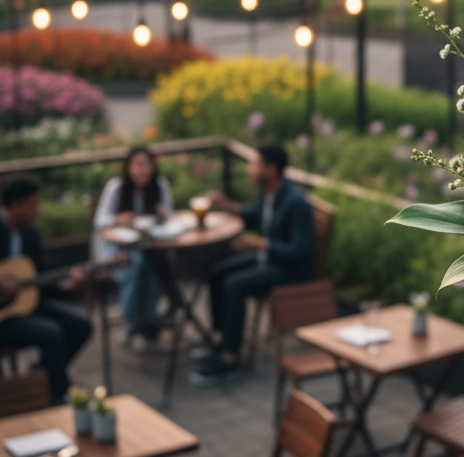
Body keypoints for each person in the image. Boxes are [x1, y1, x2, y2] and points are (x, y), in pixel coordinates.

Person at [0, 177, 93, 402]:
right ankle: (57, 394)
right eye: (33, 205)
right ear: (15, 205)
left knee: (81, 327)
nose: (37, 210)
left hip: (24, 306)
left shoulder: (30, 234)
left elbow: (40, 280)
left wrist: (67, 286)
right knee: (50, 333)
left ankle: (40, 377)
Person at [191, 143, 315, 382]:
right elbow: (256, 218)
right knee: (217, 273)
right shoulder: (267, 192)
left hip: (291, 270)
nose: (250, 170)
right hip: (270, 259)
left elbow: (300, 251)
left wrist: (260, 245)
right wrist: (229, 206)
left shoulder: (295, 202)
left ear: (272, 169)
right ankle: (223, 340)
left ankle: (230, 357)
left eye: (255, 165)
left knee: (234, 285)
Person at [93, 147, 174, 343]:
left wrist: (162, 214)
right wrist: (118, 219)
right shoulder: (117, 187)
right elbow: (99, 221)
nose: (143, 170)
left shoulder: (159, 186)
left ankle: (146, 319)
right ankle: (136, 319)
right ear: (128, 167)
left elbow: (170, 217)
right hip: (119, 249)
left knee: (157, 262)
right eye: (138, 165)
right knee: (137, 264)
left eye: (147, 165)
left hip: (152, 245)